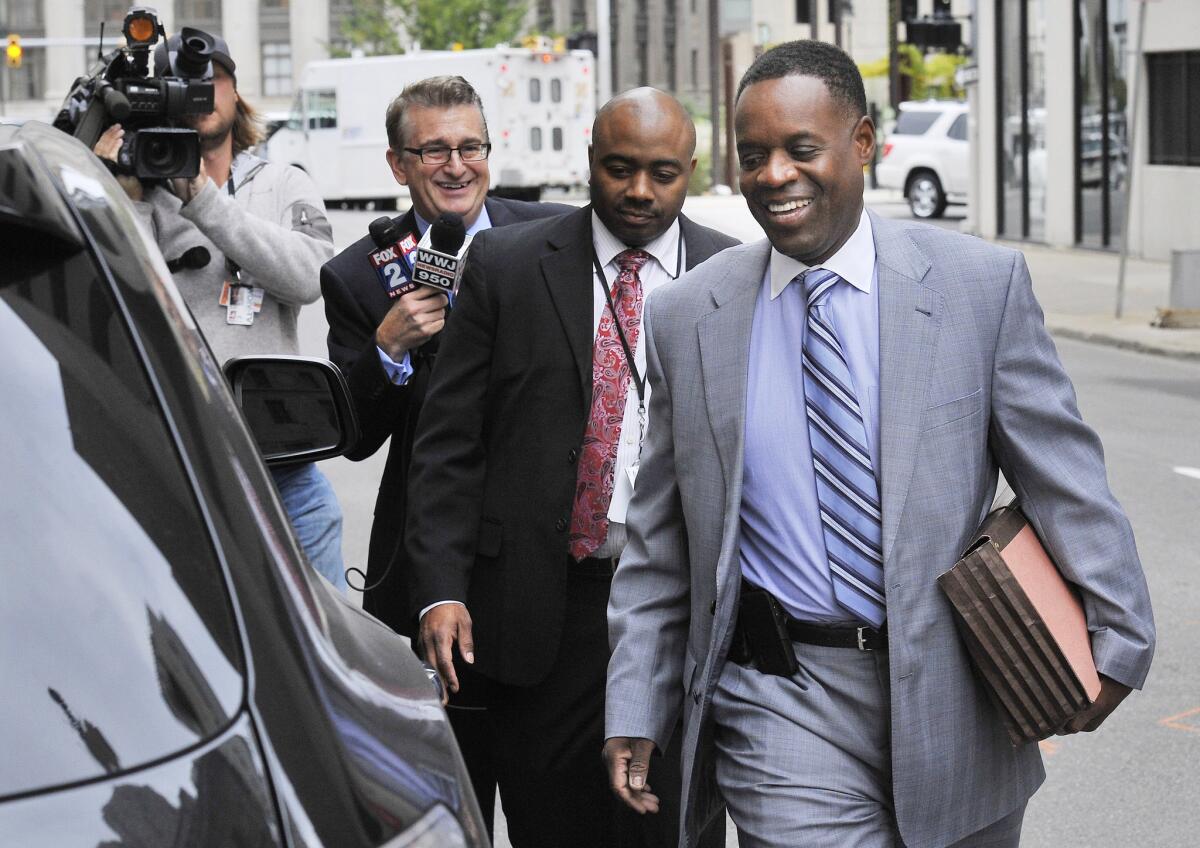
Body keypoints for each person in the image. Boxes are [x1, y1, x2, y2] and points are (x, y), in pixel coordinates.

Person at [603, 40, 1155, 848]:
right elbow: (661, 538)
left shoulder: (978, 286)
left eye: (800, 149)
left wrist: (1120, 636)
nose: (773, 176)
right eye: (753, 156)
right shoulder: (690, 315)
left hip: (963, 686)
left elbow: (1063, 479)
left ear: (862, 144)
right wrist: (635, 697)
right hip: (781, 697)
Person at [404, 88, 738, 848]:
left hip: (681, 612)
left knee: (670, 828)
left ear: (691, 171)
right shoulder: (508, 263)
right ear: (589, 162)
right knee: (553, 827)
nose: (640, 192)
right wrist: (442, 591)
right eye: (619, 169)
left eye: (663, 173)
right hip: (546, 609)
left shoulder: (735, 274)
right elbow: (449, 443)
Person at [318, 74, 571, 837]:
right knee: (444, 803)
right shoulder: (359, 275)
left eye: (471, 147)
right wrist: (388, 349)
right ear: (399, 165)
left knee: (552, 800)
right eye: (434, 150)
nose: (456, 165)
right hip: (429, 567)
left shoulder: (555, 233)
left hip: (547, 565)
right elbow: (354, 436)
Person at [94, 33, 345, 590]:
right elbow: (117, 294)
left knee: (329, 639)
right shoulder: (136, 191)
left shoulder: (283, 182)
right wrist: (128, 197)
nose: (203, 91)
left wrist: (206, 202)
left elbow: (311, 278)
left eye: (216, 78)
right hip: (175, 460)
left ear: (237, 93)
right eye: (185, 82)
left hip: (282, 464)